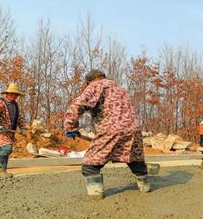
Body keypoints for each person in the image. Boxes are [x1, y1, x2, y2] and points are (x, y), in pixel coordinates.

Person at [64, 70, 150, 200]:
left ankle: (96, 196)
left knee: (90, 166)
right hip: (133, 129)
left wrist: (69, 126)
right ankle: (145, 187)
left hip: (111, 129)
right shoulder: (120, 89)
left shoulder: (95, 85)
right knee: (135, 160)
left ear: (88, 82)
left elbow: (78, 104)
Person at [0, 83, 26, 178]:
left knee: (5, 149)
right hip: (0, 130)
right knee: (6, 147)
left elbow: (20, 118)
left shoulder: (15, 105)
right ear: (7, 93)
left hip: (10, 131)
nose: (14, 96)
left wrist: (23, 128)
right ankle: (1, 171)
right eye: (12, 94)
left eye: (16, 94)